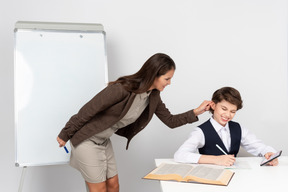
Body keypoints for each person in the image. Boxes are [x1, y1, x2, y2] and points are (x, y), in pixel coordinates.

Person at [57, 53, 211, 192]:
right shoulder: (123, 89)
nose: (169, 83)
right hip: (87, 140)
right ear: (154, 75)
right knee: (99, 190)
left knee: (113, 185)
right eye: (167, 78)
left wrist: (196, 112)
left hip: (103, 141)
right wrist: (66, 133)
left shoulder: (153, 96)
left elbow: (170, 121)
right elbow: (89, 109)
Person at [174, 86, 279, 167]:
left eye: (233, 111)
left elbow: (259, 146)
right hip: (211, 179)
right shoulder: (200, 132)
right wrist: (216, 160)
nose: (228, 115)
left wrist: (268, 153)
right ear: (213, 106)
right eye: (224, 109)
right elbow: (180, 155)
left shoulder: (238, 128)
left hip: (236, 178)